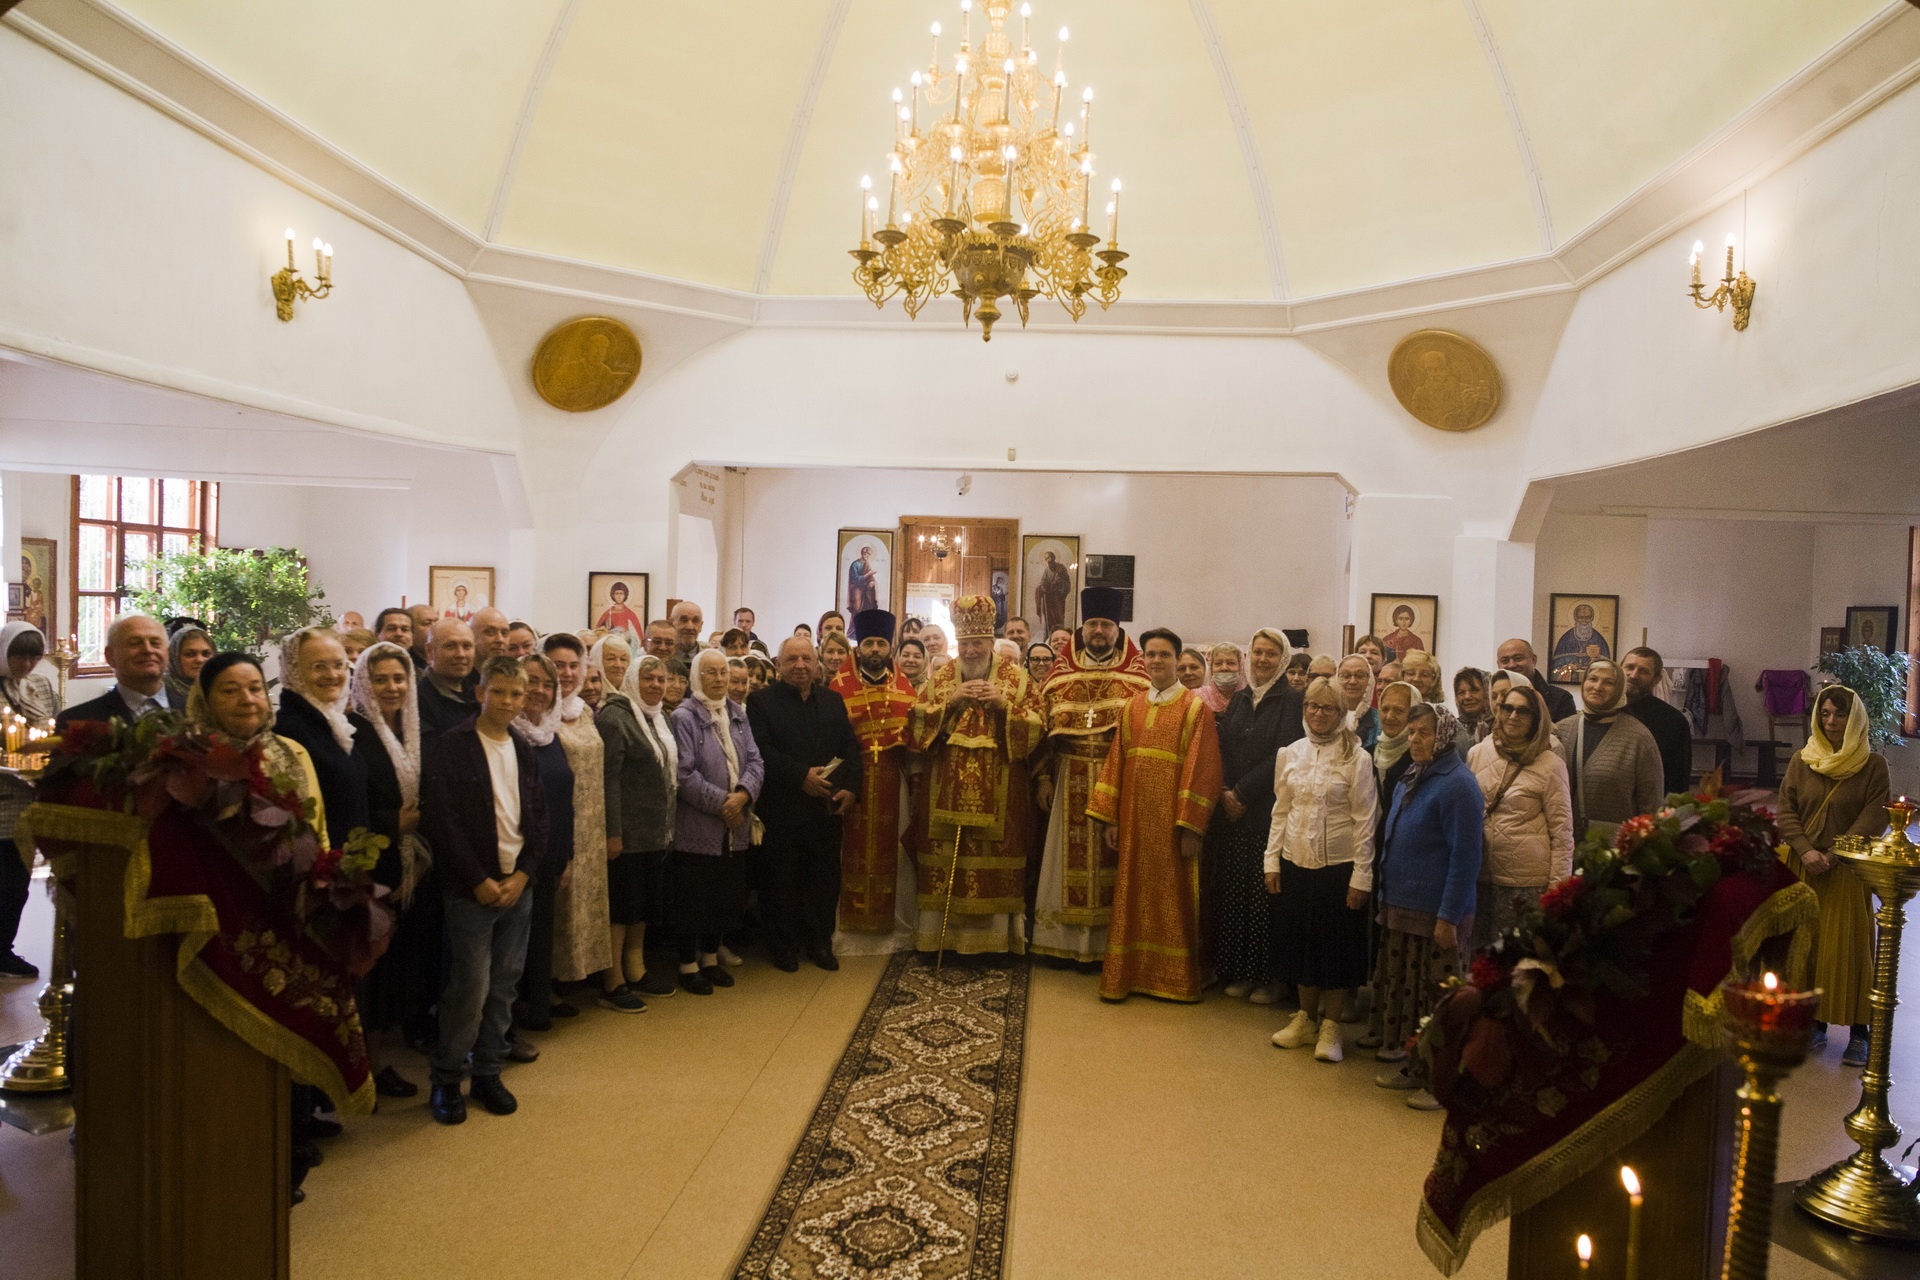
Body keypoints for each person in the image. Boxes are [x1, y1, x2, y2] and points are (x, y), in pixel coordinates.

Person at [420, 656, 550, 1125]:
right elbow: (444, 819)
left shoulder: (523, 747)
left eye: (517, 694)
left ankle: (489, 1071)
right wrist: (478, 879)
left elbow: (537, 818)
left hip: (517, 885)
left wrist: (524, 874)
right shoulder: (453, 746)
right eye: (499, 692)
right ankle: (448, 1078)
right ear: (480, 693)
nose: (509, 701)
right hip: (471, 888)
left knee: (504, 986)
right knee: (470, 988)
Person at [1086, 628, 1221, 1002]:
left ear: (1178, 660)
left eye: (1164, 654)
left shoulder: (1196, 709)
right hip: (1132, 821)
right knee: (1131, 892)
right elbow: (1116, 762)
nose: (1157, 661)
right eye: (1151, 654)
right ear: (1142, 659)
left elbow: (1204, 769)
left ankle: (1173, 979)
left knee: (1173, 895)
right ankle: (1128, 975)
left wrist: (1191, 826)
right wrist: (1111, 818)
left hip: (1172, 825)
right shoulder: (1132, 706)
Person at [907, 596, 1042, 957]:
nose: (969, 650)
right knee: (947, 860)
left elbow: (1038, 726)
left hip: (1001, 791)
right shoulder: (943, 677)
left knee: (994, 864)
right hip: (944, 793)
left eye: (977, 643)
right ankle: (941, 941)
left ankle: (996, 945)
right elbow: (916, 721)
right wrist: (952, 702)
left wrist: (1003, 705)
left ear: (989, 642)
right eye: (964, 643)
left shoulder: (1017, 679)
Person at [1030, 587, 1150, 965]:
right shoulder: (1061, 675)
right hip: (1068, 776)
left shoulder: (1138, 679)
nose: (1099, 631)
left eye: (1107, 625)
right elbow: (1044, 733)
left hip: (1118, 778)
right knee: (1063, 859)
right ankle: (1062, 943)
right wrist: (1044, 779)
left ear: (1118, 630)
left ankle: (1104, 947)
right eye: (1093, 624)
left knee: (1112, 861)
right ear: (1083, 628)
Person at [1372, 703, 1483, 1110]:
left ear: (1445, 736)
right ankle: (1416, 1067)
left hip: (1437, 913)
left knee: (1439, 1003)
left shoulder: (1458, 784)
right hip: (1402, 906)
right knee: (1409, 997)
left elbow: (1466, 857)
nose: (1414, 740)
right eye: (1411, 732)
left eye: (1423, 733)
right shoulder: (1411, 776)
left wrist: (1448, 915)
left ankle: (1442, 1083)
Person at [1264, 675, 1376, 1061]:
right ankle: (1305, 1018)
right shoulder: (1290, 753)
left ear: (1342, 713)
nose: (1318, 713)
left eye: (1328, 707)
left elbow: (1365, 820)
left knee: (1336, 946)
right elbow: (1281, 809)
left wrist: (1362, 875)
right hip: (1296, 861)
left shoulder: (1357, 758)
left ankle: (1331, 1027)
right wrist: (1271, 860)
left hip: (1339, 868)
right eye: (1312, 705)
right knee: (1301, 941)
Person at [1777, 685, 1886, 1067]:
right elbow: (1786, 809)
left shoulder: (1873, 765)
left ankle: (1859, 1031)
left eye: (1840, 714)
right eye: (1824, 714)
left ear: (1854, 718)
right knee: (1807, 947)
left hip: (1847, 871)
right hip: (1804, 866)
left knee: (1848, 948)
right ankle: (1816, 1024)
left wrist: (1834, 854)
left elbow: (1874, 816)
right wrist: (1806, 849)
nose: (1831, 721)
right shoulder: (1801, 761)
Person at [347, 641, 431, 1095]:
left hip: (414, 861)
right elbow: (351, 800)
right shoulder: (355, 730)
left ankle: (382, 1060)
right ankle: (369, 1070)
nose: (392, 687)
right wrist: (390, 823)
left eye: (400, 678)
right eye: (381, 679)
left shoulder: (414, 728)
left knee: (398, 969)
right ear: (363, 682)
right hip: (377, 863)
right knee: (373, 975)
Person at [748, 636, 863, 971]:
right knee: (780, 880)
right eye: (792, 660)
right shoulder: (761, 702)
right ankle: (783, 946)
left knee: (823, 879)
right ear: (779, 665)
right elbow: (761, 751)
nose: (800, 666)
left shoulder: (832, 700)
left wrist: (851, 788)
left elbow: (849, 746)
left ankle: (819, 943)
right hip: (782, 807)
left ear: (816, 664)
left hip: (824, 809)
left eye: (806, 659)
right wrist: (801, 776)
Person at [1209, 628, 1302, 1004]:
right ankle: (1241, 971)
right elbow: (1224, 748)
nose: (1263, 660)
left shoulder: (1292, 700)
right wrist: (1225, 790)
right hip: (1233, 813)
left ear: (1282, 659)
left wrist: (1242, 793)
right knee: (1238, 893)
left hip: (1266, 811)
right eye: (1258, 653)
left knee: (1267, 897)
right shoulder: (1241, 698)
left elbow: (1283, 752)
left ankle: (1270, 978)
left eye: (1271, 654)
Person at [671, 648, 764, 993]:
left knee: (723, 895)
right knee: (694, 896)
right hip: (699, 824)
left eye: (723, 672)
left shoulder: (737, 712)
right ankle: (687, 964)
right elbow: (684, 773)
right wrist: (724, 804)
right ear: (697, 676)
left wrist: (742, 796)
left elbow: (756, 761)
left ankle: (710, 959)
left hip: (733, 823)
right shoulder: (684, 717)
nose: (720, 679)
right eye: (711, 673)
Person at [829, 610, 918, 947]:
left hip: (894, 783)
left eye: (882, 643)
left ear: (890, 647)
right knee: (846, 854)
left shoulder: (906, 689)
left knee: (893, 853)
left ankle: (894, 930)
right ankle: (847, 933)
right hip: (853, 783)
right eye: (869, 643)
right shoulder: (838, 688)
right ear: (859, 647)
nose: (876, 649)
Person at [597, 653, 679, 1010]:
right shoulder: (616, 717)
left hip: (655, 832)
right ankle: (613, 979)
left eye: (661, 679)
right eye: (648, 678)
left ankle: (637, 968)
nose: (656, 685)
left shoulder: (660, 718)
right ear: (633, 680)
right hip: (626, 835)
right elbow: (608, 780)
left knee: (643, 906)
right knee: (621, 909)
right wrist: (612, 833)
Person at [1467, 682, 1573, 950]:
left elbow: (1562, 833)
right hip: (1480, 876)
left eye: (1523, 712)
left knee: (1513, 964)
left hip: (1525, 884)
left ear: (1537, 719)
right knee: (1477, 960)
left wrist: (1557, 891)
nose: (1513, 716)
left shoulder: (1551, 765)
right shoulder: (1479, 752)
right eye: (1508, 708)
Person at [541, 633, 613, 1002]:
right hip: (560, 825)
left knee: (584, 904)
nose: (567, 673)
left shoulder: (584, 711)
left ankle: (577, 975)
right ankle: (548, 985)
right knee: (559, 906)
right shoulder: (538, 716)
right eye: (558, 666)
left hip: (591, 824)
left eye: (574, 665)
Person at [510, 653, 575, 1035]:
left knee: (540, 938)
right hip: (518, 856)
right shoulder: (509, 734)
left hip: (551, 853)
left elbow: (564, 798)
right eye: (531, 681)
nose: (539, 690)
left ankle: (537, 1007)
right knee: (512, 947)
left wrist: (567, 854)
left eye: (547, 684)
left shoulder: (551, 736)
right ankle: (509, 1023)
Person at [275, 628, 369, 846]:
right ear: (294, 672)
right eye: (319, 667)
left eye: (338, 665)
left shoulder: (332, 723)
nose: (332, 675)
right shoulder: (290, 730)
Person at [1551, 658, 1661, 841]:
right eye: (1592, 679)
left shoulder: (1638, 738)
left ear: (1620, 689)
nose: (1598, 687)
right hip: (1563, 845)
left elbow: (1651, 803)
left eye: (1609, 682)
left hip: (1614, 850)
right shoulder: (1561, 730)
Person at [0, 623, 56, 978]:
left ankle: (4, 948)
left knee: (15, 883)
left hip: (27, 797)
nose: (27, 665)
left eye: (34, 657)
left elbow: (53, 728)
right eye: (18, 656)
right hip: (1, 794)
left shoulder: (40, 685)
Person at [57, 613, 172, 728]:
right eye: (135, 643)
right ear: (110, 655)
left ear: (168, 653)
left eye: (155, 643)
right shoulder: (77, 721)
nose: (148, 650)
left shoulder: (188, 712)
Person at [1620, 646, 1692, 797]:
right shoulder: (1604, 711)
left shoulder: (1673, 721)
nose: (1633, 675)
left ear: (1656, 679)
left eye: (1643, 671)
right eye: (1629, 667)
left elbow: (1678, 779)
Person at [417, 617, 480, 742]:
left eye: (467, 646)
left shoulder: (478, 694)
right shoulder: (419, 699)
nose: (461, 654)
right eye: (450, 646)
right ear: (430, 651)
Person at [1497, 637, 1575, 723]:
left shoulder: (1560, 699)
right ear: (1498, 665)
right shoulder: (1493, 697)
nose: (1511, 665)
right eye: (1505, 661)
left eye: (1518, 658)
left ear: (1533, 660)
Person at [1550, 602, 1612, 684]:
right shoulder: (1566, 638)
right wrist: (1568, 666)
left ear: (1592, 618)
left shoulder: (1599, 639)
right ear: (1575, 618)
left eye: (1587, 617)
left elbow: (1608, 665)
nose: (1584, 621)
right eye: (1581, 617)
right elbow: (1556, 664)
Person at [163, 623, 214, 708]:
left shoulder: (220, 691)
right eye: (190, 654)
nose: (199, 660)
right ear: (174, 657)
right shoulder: (159, 694)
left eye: (206, 654)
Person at [1335, 654, 1379, 750]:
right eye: (1345, 676)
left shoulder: (1380, 721)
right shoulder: (1327, 716)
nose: (1352, 681)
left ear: (1370, 681)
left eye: (1360, 676)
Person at [1034, 550, 1073, 638]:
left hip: (1058, 598)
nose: (1049, 560)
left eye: (1050, 557)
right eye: (1046, 558)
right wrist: (1043, 587)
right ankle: (1049, 636)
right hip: (1049, 599)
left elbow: (1066, 582)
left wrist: (1058, 583)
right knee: (1049, 619)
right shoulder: (1047, 570)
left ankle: (1060, 635)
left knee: (1058, 617)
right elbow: (1043, 581)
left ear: (1054, 557)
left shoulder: (1061, 568)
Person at [1453, 667, 1493, 746]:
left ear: (1487, 693)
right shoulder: (1452, 730)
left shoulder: (1499, 727)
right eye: (1461, 692)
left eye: (1474, 690)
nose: (1467, 697)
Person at [1199, 642, 1242, 715]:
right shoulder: (1198, 696)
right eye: (1218, 663)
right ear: (1211, 669)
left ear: (1240, 668)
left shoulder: (1250, 698)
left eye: (1231, 663)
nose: (1224, 668)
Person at [846, 545, 880, 614]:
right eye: (866, 554)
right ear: (862, 553)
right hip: (856, 589)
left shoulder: (867, 564)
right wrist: (867, 574)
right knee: (857, 609)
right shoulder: (855, 564)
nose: (867, 556)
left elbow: (871, 577)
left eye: (869, 555)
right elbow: (854, 579)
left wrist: (871, 582)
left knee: (868, 608)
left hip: (866, 590)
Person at [670, 600, 705, 668]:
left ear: (701, 626)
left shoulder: (710, 657)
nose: (690, 627)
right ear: (671, 623)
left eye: (695, 621)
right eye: (684, 620)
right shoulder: (662, 656)